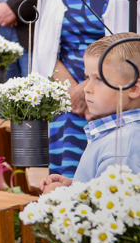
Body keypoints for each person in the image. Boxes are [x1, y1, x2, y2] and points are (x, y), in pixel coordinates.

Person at [33, 0, 140, 179]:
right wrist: (73, 91)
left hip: (114, 104)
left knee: (110, 190)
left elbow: (135, 51)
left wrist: (95, 92)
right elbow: (43, 46)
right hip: (64, 99)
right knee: (60, 186)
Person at [40, 32, 140, 193]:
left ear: (134, 88)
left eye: (99, 79)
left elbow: (109, 213)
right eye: (87, 77)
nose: (86, 88)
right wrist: (75, 186)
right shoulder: (115, 137)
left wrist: (60, 197)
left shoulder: (121, 150)